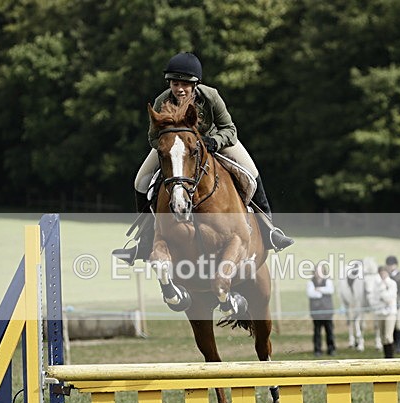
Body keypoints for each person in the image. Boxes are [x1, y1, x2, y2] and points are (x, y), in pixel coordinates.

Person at [113, 52, 294, 264]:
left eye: (185, 84)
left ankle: (270, 230)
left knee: (251, 172)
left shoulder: (210, 97)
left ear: (195, 84)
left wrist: (214, 142)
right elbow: (153, 137)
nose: (180, 88)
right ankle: (145, 241)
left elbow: (230, 129)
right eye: (175, 83)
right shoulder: (162, 101)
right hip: (176, 147)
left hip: (215, 142)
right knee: (140, 181)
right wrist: (171, 146)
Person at [307, 263, 336, 357]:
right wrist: (321, 292)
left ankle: (331, 349)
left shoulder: (328, 281)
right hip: (316, 312)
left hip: (327, 311)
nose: (318, 273)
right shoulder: (310, 282)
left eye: (320, 271)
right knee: (317, 332)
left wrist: (318, 289)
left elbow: (330, 290)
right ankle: (317, 350)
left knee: (330, 331)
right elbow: (310, 293)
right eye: (316, 271)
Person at [372, 265, 398, 358]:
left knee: (388, 335)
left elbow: (389, 298)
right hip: (380, 313)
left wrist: (382, 293)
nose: (382, 275)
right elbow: (374, 299)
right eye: (381, 273)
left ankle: (390, 356)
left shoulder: (392, 283)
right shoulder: (377, 285)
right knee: (382, 336)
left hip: (390, 313)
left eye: (384, 272)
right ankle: (386, 356)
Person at [385, 255, 400, 353]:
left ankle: (399, 345)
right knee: (391, 326)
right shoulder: (386, 276)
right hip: (389, 306)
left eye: (392, 265)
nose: (390, 267)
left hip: (399, 304)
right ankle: (393, 345)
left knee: (399, 325)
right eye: (389, 265)